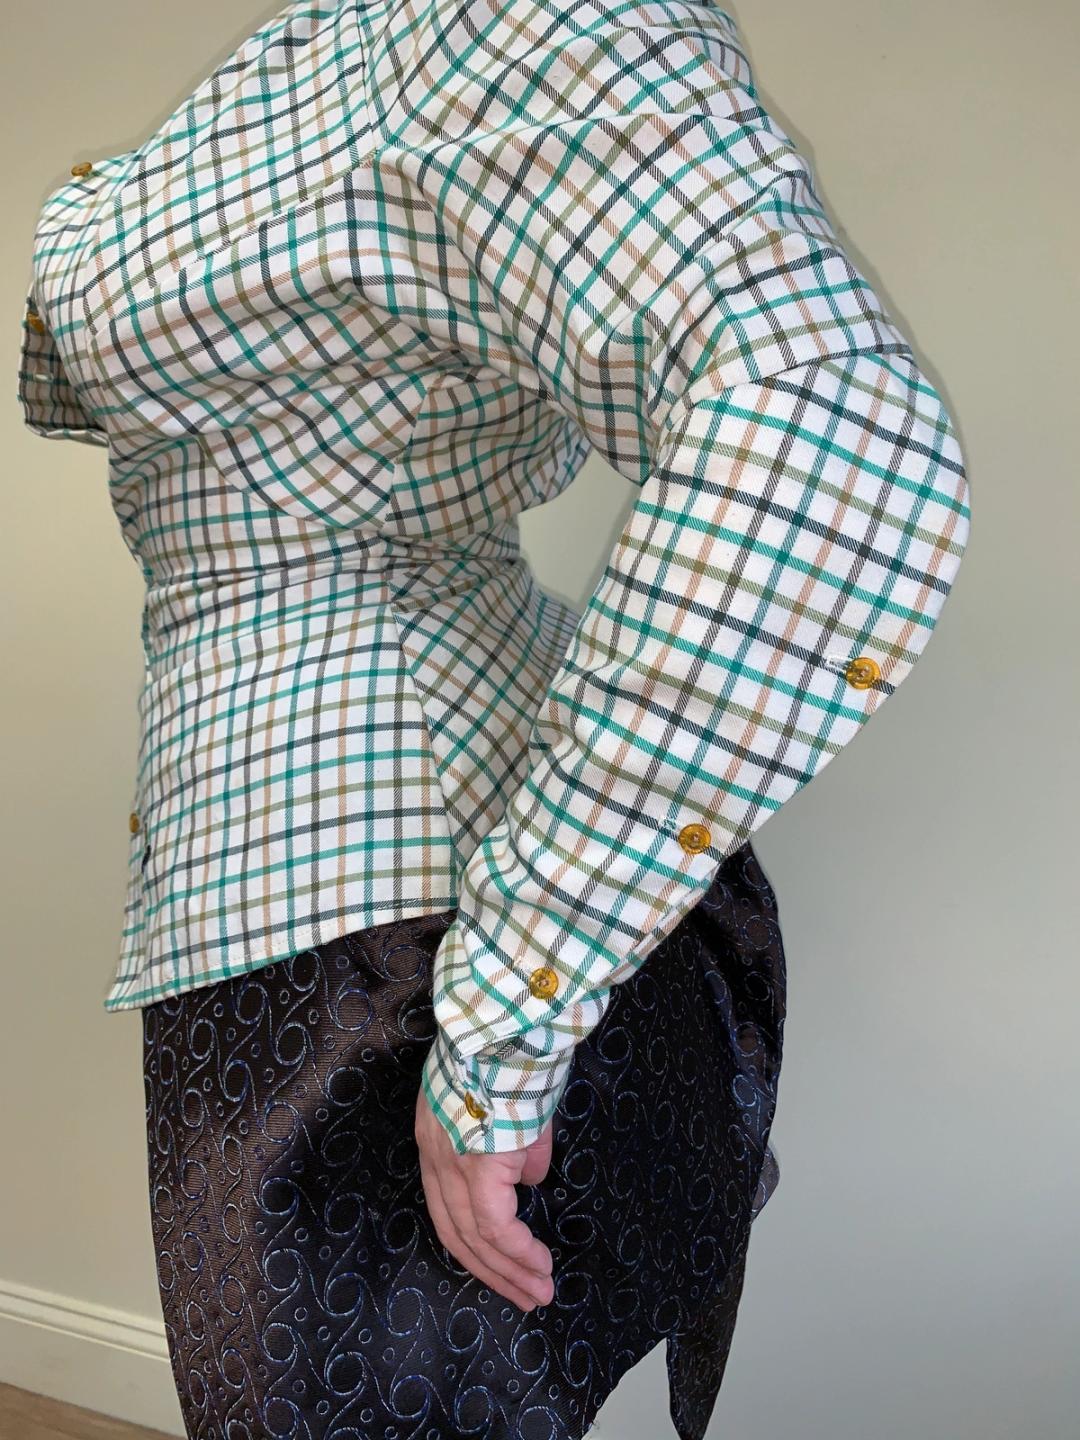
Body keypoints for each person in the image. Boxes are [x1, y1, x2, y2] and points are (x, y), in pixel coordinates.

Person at [18, 1, 970, 1436]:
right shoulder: (258, 100)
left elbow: (822, 418)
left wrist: (500, 1034)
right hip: (301, 896)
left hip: (408, 947)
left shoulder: (491, 34)